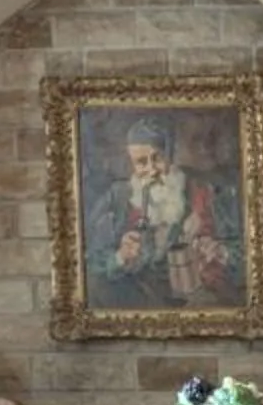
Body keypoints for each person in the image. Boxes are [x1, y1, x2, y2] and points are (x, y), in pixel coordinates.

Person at [85, 116, 241, 309]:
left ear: (170, 155)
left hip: (192, 294)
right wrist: (120, 257)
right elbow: (90, 259)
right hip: (137, 293)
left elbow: (244, 252)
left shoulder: (204, 190)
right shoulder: (117, 198)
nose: (152, 170)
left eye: (157, 158)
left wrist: (220, 251)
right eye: (141, 162)